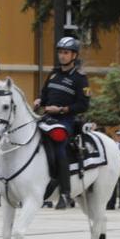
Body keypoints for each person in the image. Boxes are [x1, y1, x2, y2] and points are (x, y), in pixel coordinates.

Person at [33, 36, 91, 210]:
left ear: (74, 55)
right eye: (60, 52)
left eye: (66, 53)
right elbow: (44, 95)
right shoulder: (54, 73)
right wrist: (39, 101)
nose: (62, 56)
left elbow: (83, 105)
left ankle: (65, 194)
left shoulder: (80, 78)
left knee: (59, 147)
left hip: (65, 120)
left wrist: (61, 110)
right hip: (47, 118)